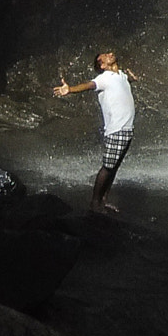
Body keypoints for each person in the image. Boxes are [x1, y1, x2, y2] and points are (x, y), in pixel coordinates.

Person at [53, 49, 138, 213]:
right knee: (107, 167)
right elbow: (89, 85)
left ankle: (104, 200)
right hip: (116, 129)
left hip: (127, 128)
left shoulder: (120, 75)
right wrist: (70, 89)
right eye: (104, 56)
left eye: (108, 53)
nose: (110, 54)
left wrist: (132, 79)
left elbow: (123, 81)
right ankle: (95, 203)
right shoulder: (104, 78)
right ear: (103, 65)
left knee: (114, 167)